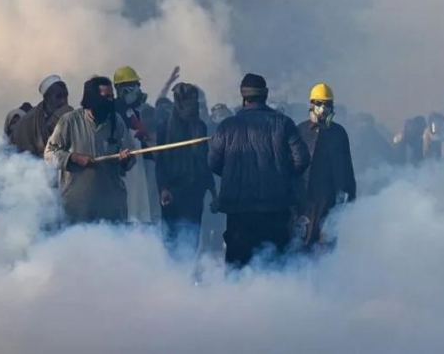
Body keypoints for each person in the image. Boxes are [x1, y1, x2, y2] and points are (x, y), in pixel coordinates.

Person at [209, 73, 310, 269]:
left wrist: (232, 175)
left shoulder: (226, 126)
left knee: (238, 267)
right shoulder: (284, 123)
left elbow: (213, 163)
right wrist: (281, 174)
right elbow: (302, 159)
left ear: (244, 97)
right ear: (265, 95)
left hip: (238, 210)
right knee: (275, 265)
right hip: (275, 207)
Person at [45, 76, 136, 225]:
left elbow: (130, 155)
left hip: (111, 208)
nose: (111, 101)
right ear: (93, 98)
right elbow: (49, 154)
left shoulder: (116, 121)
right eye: (106, 97)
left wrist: (126, 160)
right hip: (77, 209)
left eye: (112, 96)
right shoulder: (69, 121)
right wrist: (73, 158)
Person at [156, 83, 216, 254]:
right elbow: (160, 163)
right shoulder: (164, 127)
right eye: (187, 101)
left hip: (194, 192)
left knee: (191, 239)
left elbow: (204, 163)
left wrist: (212, 190)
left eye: (194, 100)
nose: (191, 105)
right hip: (172, 193)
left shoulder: (200, 127)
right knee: (171, 239)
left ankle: (186, 276)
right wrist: (163, 188)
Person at [295, 83, 356, 250]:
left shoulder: (338, 133)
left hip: (329, 199)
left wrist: (350, 195)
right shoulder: (300, 130)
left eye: (327, 104)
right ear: (312, 104)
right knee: (303, 245)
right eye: (319, 103)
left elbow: (346, 167)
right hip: (305, 200)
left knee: (326, 245)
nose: (323, 108)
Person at [113, 66, 159, 225]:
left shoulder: (132, 111)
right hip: (126, 168)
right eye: (131, 86)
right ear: (120, 89)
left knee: (141, 203)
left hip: (138, 164)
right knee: (131, 206)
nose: (136, 91)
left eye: (136, 86)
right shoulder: (115, 111)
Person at [12, 74, 72, 158]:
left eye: (65, 96)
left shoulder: (71, 116)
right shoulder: (26, 123)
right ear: (46, 99)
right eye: (58, 97)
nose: (63, 101)